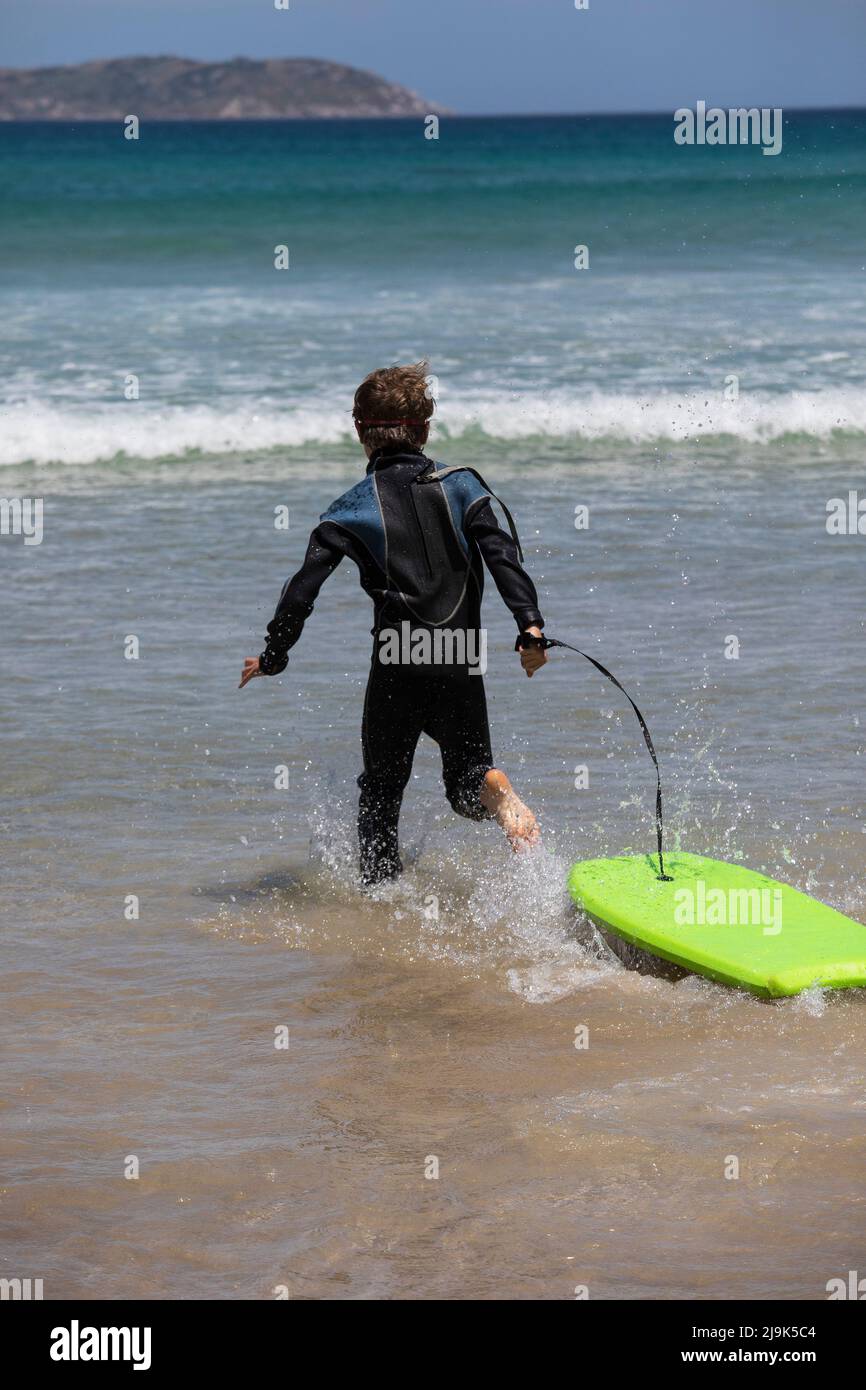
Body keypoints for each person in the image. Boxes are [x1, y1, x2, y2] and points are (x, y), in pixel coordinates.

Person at [240, 362, 548, 885]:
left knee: (382, 789)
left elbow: (302, 589)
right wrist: (530, 626)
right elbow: (502, 554)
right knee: (465, 783)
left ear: (360, 432)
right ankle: (493, 789)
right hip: (459, 657)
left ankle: (381, 905)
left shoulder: (349, 509)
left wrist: (274, 654)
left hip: (397, 660)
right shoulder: (463, 486)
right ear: (424, 431)